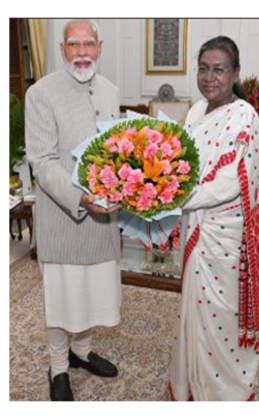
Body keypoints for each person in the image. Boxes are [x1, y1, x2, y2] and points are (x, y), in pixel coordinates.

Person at [168, 36, 259, 401]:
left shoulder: (244, 115)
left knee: (223, 315)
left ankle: (226, 392)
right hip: (194, 226)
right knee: (194, 311)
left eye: (218, 69)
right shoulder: (196, 112)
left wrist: (170, 199)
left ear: (234, 74)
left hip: (225, 236)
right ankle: (193, 387)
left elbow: (231, 180)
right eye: (203, 68)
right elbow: (180, 164)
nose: (209, 77)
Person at [25, 19, 122, 401]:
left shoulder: (111, 90)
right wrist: (80, 197)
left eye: (88, 44)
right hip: (64, 214)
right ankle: (59, 366)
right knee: (63, 298)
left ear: (99, 47)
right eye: (73, 44)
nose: (82, 52)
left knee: (93, 293)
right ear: (63, 49)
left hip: (102, 220)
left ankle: (82, 353)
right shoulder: (41, 93)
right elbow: (43, 160)